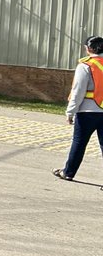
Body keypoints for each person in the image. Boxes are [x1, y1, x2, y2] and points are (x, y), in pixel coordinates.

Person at [55, 35, 103, 181]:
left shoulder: (86, 66)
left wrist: (70, 112)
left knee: (79, 143)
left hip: (87, 112)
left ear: (88, 48)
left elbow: (78, 91)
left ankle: (68, 172)